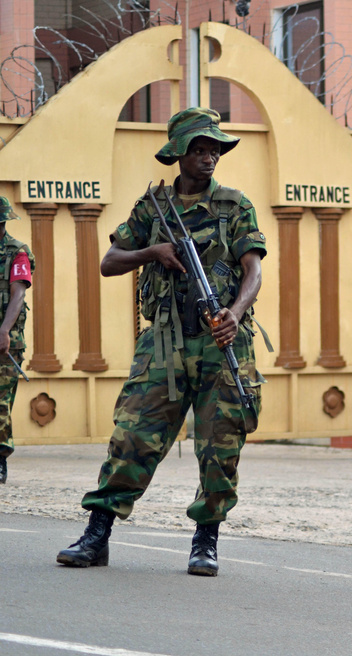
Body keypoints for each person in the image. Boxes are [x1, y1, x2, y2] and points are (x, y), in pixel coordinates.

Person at [57, 108, 267, 576]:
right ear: (178, 153)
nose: (209, 155)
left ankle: (206, 539)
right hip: (165, 342)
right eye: (199, 148)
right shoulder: (151, 208)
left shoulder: (235, 205)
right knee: (132, 437)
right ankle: (98, 533)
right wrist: (152, 252)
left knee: (220, 445)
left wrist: (235, 313)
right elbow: (110, 261)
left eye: (215, 148)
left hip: (221, 340)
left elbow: (253, 270)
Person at [0, 196, 33, 485]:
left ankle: (0, 457)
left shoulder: (17, 252)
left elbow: (18, 294)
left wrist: (4, 330)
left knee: (0, 402)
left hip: (7, 343)